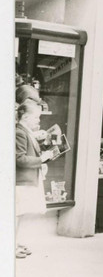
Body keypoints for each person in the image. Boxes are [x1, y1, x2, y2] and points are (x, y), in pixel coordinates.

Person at [15, 101, 52, 258]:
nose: (39, 120)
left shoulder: (24, 131)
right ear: (25, 116)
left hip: (24, 181)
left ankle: (14, 243)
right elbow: (19, 159)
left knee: (19, 213)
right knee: (16, 214)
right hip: (20, 182)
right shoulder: (20, 132)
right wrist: (42, 159)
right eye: (36, 117)